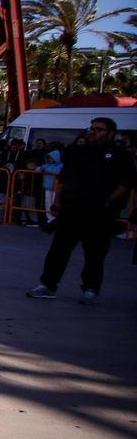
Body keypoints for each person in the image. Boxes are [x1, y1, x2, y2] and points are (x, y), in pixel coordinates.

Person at [27, 117, 135, 305]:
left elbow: (126, 183)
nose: (93, 132)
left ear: (110, 133)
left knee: (95, 253)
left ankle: (90, 288)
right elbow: (63, 179)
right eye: (92, 128)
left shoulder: (120, 155)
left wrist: (110, 202)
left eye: (99, 129)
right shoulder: (76, 152)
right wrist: (57, 202)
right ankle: (48, 285)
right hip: (71, 210)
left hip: (99, 213)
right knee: (58, 250)